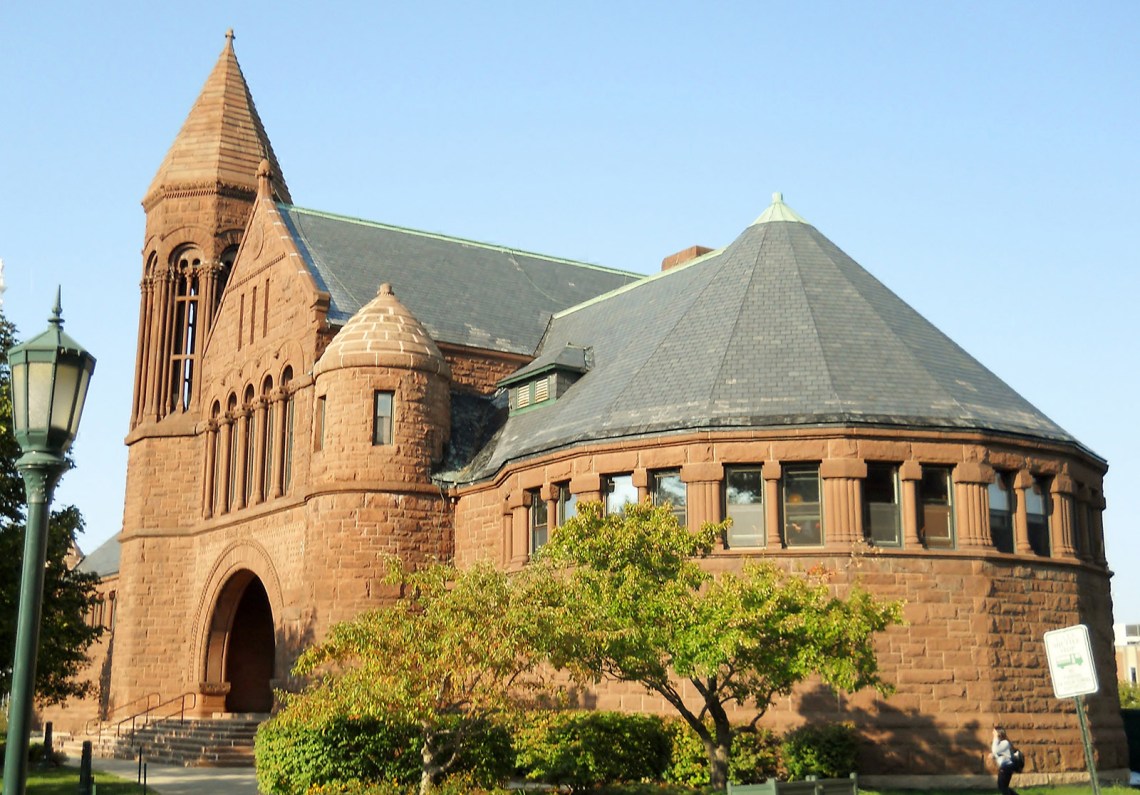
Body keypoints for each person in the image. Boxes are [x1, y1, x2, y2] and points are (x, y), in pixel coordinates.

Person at [991, 726, 1019, 795]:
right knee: (1003, 787)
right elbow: (999, 753)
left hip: (1006, 767)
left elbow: (995, 750)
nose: (992, 733)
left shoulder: (1005, 743)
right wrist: (993, 755)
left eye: (994, 732)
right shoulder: (1002, 743)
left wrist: (995, 738)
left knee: (1002, 787)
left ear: (998, 733)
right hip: (1006, 767)